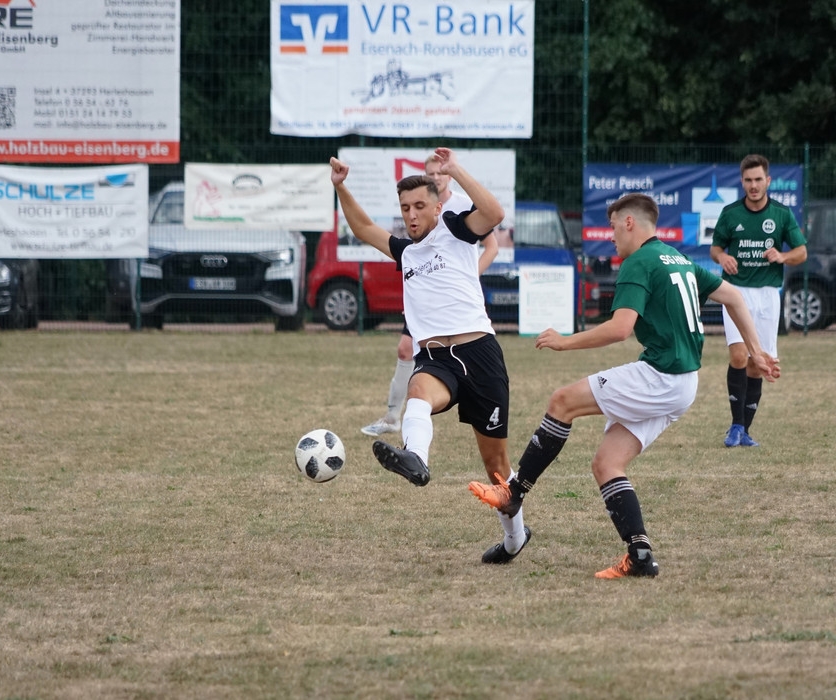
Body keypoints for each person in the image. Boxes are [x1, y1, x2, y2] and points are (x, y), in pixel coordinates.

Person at [467, 193, 780, 578]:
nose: (612, 236)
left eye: (614, 227)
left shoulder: (639, 262)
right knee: (607, 463)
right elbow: (732, 295)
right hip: (684, 384)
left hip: (660, 376)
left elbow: (620, 329)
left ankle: (513, 493)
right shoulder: (676, 258)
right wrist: (756, 351)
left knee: (562, 401)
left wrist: (566, 341)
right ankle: (640, 555)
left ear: (630, 222)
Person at [331, 147, 530, 564]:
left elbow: (494, 213)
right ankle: (416, 459)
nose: (412, 215)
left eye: (420, 206)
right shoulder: (406, 252)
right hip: (436, 359)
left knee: (496, 466)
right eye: (405, 208)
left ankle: (515, 539)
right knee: (417, 393)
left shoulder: (457, 230)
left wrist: (456, 168)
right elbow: (363, 228)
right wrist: (341, 187)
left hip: (480, 354)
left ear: (438, 207)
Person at [361, 154, 498, 437]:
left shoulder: (461, 205)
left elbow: (492, 242)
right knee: (405, 350)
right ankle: (393, 417)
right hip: (425, 299)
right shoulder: (415, 222)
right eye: (431, 173)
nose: (436, 177)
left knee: (493, 447)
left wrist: (465, 278)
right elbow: (366, 230)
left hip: (457, 312)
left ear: (448, 175)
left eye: (440, 172)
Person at [710, 154, 806, 448]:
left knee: (757, 363)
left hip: (767, 295)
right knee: (739, 356)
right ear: (742, 182)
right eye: (748, 180)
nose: (753, 185)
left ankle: (745, 430)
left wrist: (783, 256)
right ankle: (735, 425)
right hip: (736, 292)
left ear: (768, 181)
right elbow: (716, 248)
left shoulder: (781, 214)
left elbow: (801, 252)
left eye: (758, 179)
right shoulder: (730, 214)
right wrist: (722, 258)